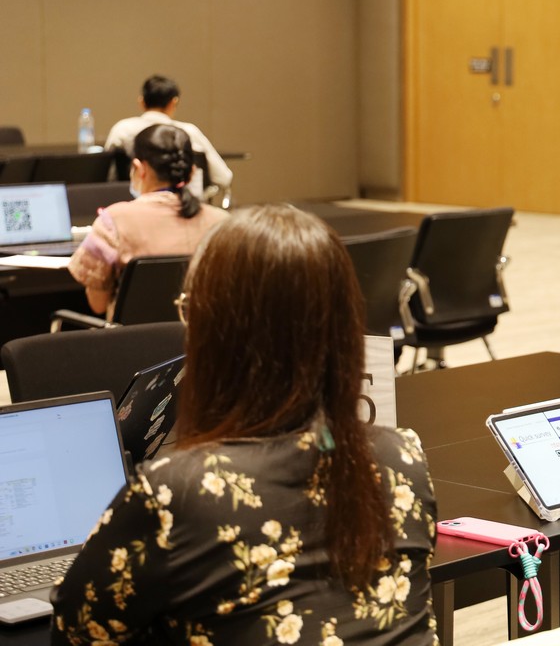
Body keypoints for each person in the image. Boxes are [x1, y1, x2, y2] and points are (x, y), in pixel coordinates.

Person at [52, 204, 438, 645]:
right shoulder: (404, 457)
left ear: (218, 332)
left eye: (189, 309)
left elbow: (74, 633)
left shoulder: (176, 493)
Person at [68, 124, 228, 316]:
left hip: (132, 336)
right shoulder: (223, 224)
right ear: (192, 172)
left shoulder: (112, 222)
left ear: (139, 168)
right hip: (201, 334)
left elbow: (98, 304)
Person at [105, 74, 233, 200]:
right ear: (174, 102)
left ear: (142, 102)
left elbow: (108, 175)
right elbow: (224, 177)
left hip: (130, 204)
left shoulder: (121, 130)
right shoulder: (189, 132)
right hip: (185, 208)